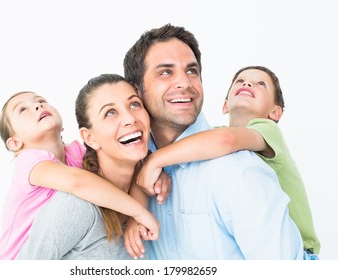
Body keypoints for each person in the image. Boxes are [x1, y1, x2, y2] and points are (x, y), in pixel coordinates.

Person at [123, 23, 304, 259]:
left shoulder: (238, 171)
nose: (185, 83)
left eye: (191, 71)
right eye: (166, 72)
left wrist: (154, 160)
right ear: (137, 90)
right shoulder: (129, 167)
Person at [0, 87, 159, 260]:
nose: (38, 106)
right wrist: (139, 212)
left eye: (41, 101)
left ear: (63, 126)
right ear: (15, 143)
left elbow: (122, 169)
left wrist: (152, 170)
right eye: (23, 109)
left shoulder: (75, 153)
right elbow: (79, 183)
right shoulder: (28, 161)